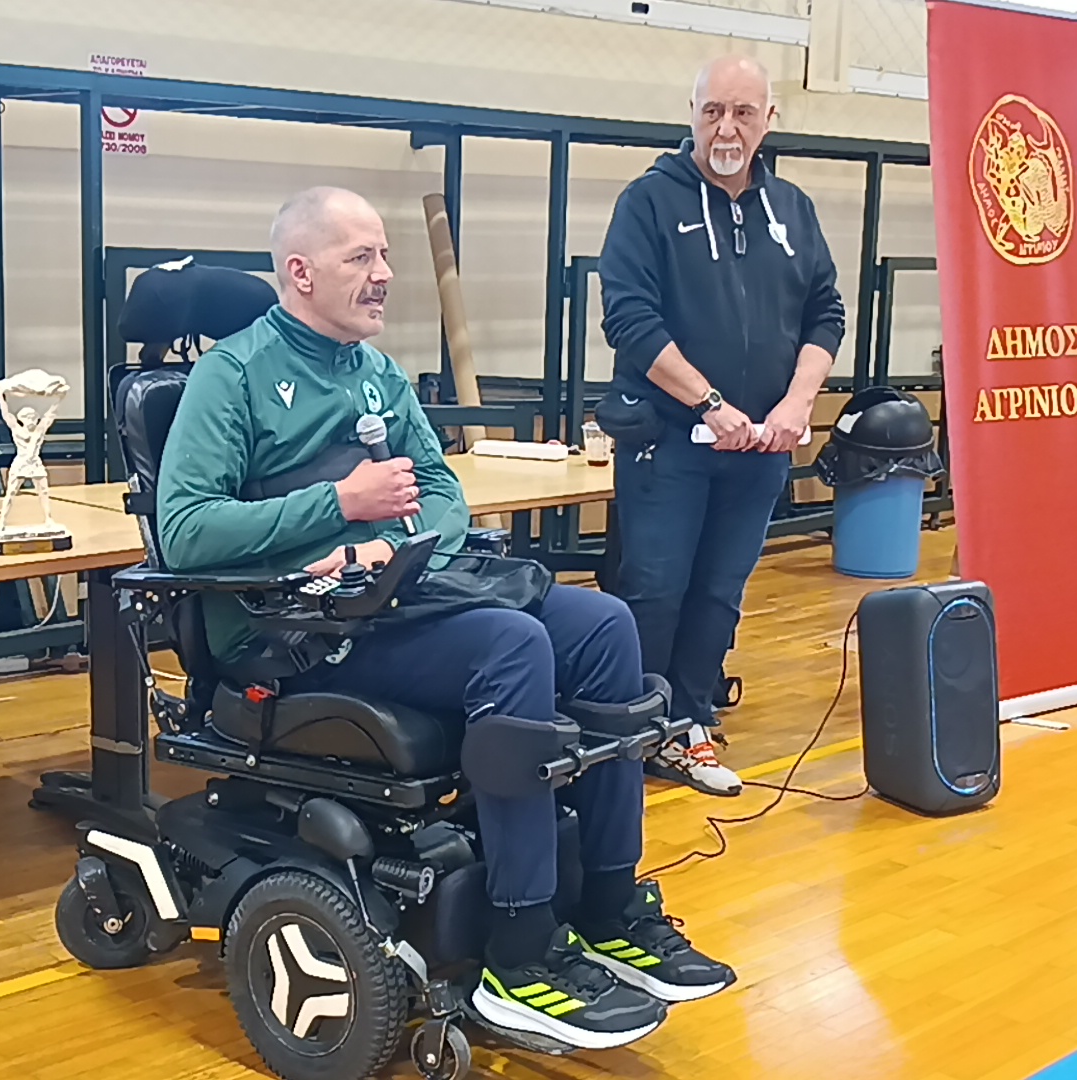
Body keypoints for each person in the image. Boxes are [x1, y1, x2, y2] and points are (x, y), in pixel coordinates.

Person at [158, 187, 735, 1050]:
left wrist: (393, 545)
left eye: (386, 254)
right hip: (293, 630)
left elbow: (441, 493)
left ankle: (610, 903)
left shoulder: (378, 373)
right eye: (361, 257)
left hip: (392, 598)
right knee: (513, 647)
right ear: (301, 272)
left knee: (605, 626)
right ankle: (520, 949)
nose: (385, 274)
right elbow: (185, 530)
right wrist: (338, 507)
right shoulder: (231, 377)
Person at [598, 56, 847, 797]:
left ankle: (690, 718)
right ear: (692, 115)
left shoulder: (793, 210)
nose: (727, 128)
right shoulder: (647, 202)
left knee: (719, 592)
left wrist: (797, 405)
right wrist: (709, 402)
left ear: (770, 120)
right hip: (668, 440)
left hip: (761, 448)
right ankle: (639, 727)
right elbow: (629, 319)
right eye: (713, 112)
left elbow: (825, 313)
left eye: (743, 112)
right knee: (655, 588)